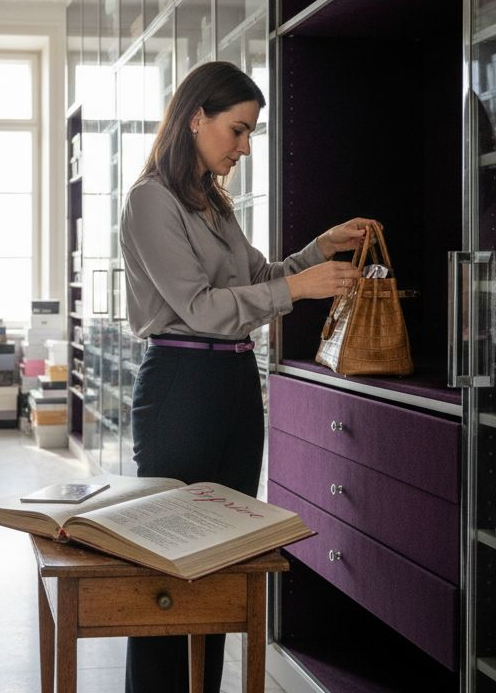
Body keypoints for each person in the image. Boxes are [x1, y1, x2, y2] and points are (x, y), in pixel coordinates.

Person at [118, 60, 377, 693]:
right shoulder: (152, 200)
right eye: (237, 130)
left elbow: (258, 280)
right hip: (181, 386)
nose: (244, 147)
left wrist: (318, 250)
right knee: (168, 566)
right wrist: (301, 287)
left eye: (251, 133)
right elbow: (201, 307)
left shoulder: (212, 202)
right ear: (195, 118)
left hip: (233, 384)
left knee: (219, 559)